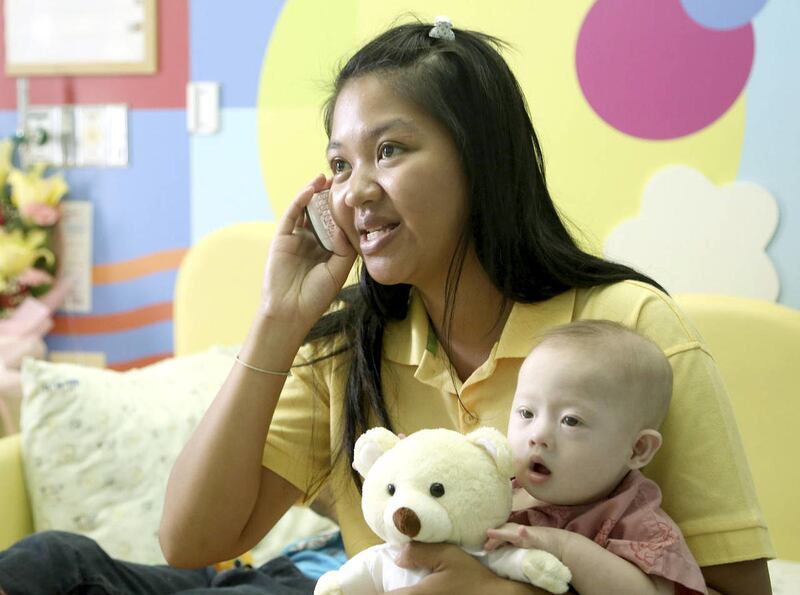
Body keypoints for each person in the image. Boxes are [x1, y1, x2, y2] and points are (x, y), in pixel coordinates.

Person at [0, 17, 773, 595]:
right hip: (322, 576)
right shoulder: (348, 344)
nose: (355, 190)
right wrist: (278, 317)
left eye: (390, 150)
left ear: (480, 157)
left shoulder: (629, 332)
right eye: (340, 163)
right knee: (50, 564)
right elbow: (191, 539)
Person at [485, 320, 706, 594]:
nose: (537, 435)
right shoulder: (496, 490)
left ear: (638, 449)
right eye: (527, 413)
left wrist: (563, 547)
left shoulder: (635, 522)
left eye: (571, 421)